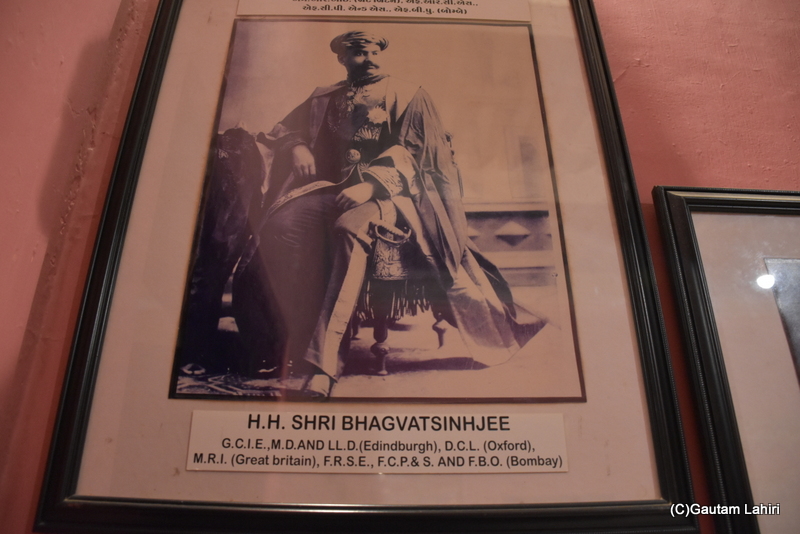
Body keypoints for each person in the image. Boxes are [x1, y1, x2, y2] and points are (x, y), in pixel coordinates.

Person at [232, 31, 544, 397]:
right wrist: (297, 145)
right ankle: (283, 341)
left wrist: (372, 185)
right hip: (328, 190)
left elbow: (421, 158)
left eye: (375, 51)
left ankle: (325, 363)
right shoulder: (323, 95)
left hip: (391, 197)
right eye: (360, 53)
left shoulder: (411, 96)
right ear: (342, 59)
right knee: (281, 227)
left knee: (349, 230)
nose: (370, 59)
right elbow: (282, 130)